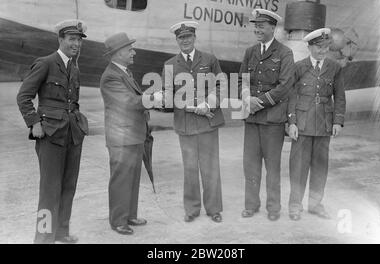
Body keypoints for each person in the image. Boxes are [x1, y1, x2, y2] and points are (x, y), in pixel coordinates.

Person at [16, 19, 89, 244]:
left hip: (73, 134)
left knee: (69, 186)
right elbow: (24, 96)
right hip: (50, 135)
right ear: (60, 39)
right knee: (49, 190)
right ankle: (44, 238)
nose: (76, 44)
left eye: (78, 40)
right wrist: (34, 123)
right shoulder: (46, 63)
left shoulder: (74, 67)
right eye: (71, 39)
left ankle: (61, 233)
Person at [161, 21, 225, 223]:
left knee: (210, 167)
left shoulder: (209, 59)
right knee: (190, 168)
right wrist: (175, 101)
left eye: (188, 37)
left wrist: (209, 104)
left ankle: (214, 209)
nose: (185, 41)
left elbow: (221, 86)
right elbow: (168, 94)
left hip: (208, 122)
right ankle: (192, 209)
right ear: (177, 40)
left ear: (194, 38)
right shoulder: (170, 65)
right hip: (186, 124)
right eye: (181, 38)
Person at [238, 9, 294, 221]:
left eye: (261, 26)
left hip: (272, 120)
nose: (257, 29)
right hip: (252, 119)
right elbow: (241, 79)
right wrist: (246, 98)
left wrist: (257, 102)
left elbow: (285, 86)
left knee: (272, 167)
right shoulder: (250, 52)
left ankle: (273, 208)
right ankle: (251, 205)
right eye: (255, 25)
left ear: (273, 27)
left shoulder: (284, 53)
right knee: (250, 165)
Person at [287, 28, 346, 221]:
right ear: (309, 47)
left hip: (324, 124)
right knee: (298, 167)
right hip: (302, 125)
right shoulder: (298, 67)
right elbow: (291, 96)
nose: (322, 51)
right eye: (318, 47)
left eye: (325, 47)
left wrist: (337, 121)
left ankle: (315, 204)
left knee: (320, 167)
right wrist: (292, 122)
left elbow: (340, 97)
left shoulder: (334, 67)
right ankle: (295, 206)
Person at [100, 32, 151, 235]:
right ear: (118, 53)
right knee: (121, 178)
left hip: (132, 135)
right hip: (121, 138)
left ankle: (129, 214)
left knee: (133, 177)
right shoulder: (111, 76)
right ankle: (118, 220)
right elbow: (129, 102)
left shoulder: (124, 72)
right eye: (130, 49)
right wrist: (153, 97)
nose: (134, 52)